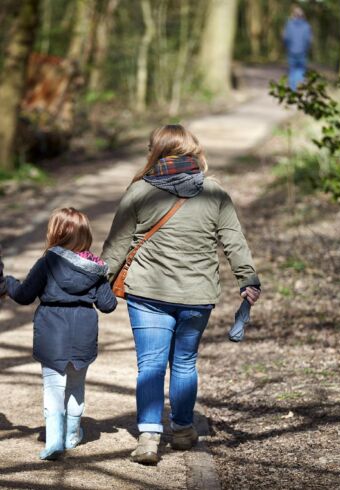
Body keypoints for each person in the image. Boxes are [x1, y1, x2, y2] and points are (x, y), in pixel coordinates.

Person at [102, 124, 261, 465]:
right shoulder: (214, 191)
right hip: (197, 294)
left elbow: (116, 246)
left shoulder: (139, 191)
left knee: (150, 364)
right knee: (185, 362)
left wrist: (96, 283)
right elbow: (234, 240)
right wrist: (248, 278)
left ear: (155, 152)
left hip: (147, 293)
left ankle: (148, 436)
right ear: (194, 151)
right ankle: (184, 430)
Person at [3, 208, 117, 460]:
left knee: (53, 386)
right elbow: (108, 305)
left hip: (51, 330)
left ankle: (54, 440)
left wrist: (8, 282)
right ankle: (72, 435)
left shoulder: (48, 261)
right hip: (83, 332)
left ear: (55, 232)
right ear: (85, 234)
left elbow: (24, 295)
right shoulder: (95, 268)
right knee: (76, 385)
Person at [283, 5, 312, 90]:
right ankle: (299, 87)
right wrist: (306, 48)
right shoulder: (306, 26)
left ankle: (293, 89)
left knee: (292, 70)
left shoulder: (289, 24)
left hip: (291, 51)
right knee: (301, 70)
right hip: (302, 52)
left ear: (293, 15)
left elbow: (286, 38)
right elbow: (308, 40)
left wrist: (288, 47)